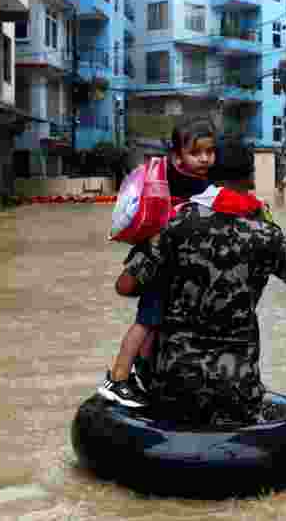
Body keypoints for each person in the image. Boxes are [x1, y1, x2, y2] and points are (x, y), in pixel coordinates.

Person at [115, 137, 286, 425]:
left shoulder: (178, 224)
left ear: (209, 176)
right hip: (238, 393)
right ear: (252, 178)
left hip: (173, 388)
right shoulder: (269, 236)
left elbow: (125, 286)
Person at [97, 116, 218, 407]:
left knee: (155, 322)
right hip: (159, 265)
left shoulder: (180, 177)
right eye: (196, 152)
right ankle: (118, 378)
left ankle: (139, 373)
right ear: (177, 156)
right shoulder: (188, 182)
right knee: (146, 322)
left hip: (160, 261)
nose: (204, 158)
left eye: (210, 152)